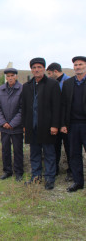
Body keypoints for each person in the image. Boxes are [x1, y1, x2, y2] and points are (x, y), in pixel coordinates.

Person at [22, 58, 61, 190]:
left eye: (39, 67)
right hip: (31, 126)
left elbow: (57, 107)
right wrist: (24, 125)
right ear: (31, 70)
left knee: (49, 154)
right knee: (34, 153)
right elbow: (24, 107)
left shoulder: (52, 84)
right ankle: (36, 177)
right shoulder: (27, 86)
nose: (36, 70)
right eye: (34, 67)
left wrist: (55, 125)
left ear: (44, 69)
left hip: (47, 126)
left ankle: (50, 178)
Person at [61, 56, 86, 192]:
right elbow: (63, 105)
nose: (77, 67)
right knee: (74, 154)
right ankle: (78, 182)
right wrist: (63, 124)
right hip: (73, 125)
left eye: (80, 64)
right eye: (75, 65)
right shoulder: (68, 83)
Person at [0, 68, 24, 181]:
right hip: (4, 127)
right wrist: (3, 122)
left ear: (16, 76)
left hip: (16, 127)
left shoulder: (22, 89)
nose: (10, 78)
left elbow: (22, 109)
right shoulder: (1, 89)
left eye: (12, 75)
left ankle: (19, 172)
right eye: (8, 76)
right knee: (5, 149)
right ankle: (7, 171)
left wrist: (12, 123)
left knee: (17, 150)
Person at [46, 62, 72, 181]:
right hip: (55, 122)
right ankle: (54, 169)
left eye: (50, 73)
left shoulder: (68, 83)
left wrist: (64, 123)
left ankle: (71, 171)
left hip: (66, 123)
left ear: (55, 71)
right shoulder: (52, 83)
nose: (49, 76)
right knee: (55, 147)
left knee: (69, 148)